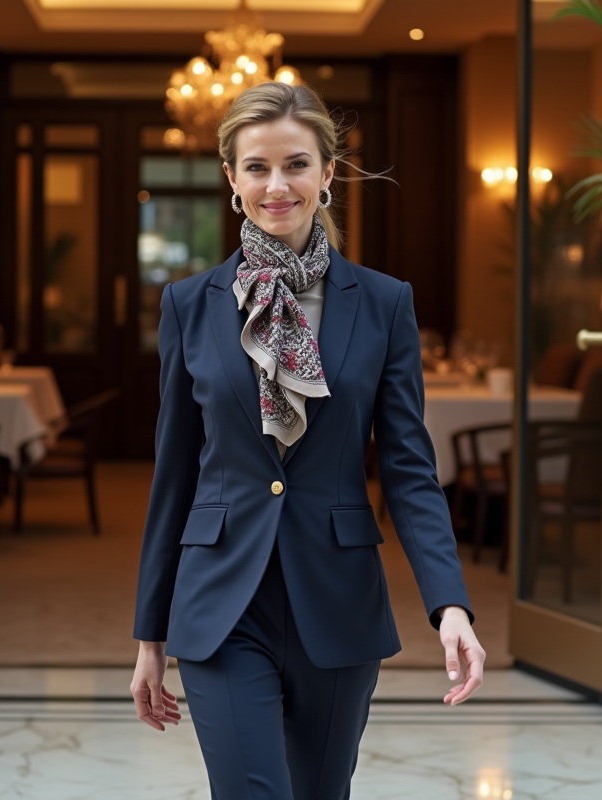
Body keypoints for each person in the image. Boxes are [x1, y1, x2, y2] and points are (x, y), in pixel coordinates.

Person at [131, 81, 485, 800]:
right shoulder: (188, 305)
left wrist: (450, 605)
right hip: (221, 600)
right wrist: (150, 635)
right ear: (231, 178)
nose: (277, 185)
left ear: (327, 173)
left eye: (296, 164)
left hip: (337, 598)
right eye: (257, 167)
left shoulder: (384, 303)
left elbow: (409, 470)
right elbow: (174, 478)